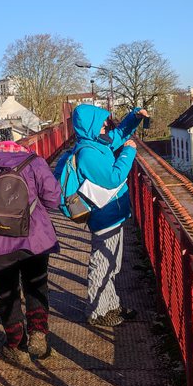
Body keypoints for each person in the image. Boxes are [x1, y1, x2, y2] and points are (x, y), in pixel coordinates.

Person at [0, 140, 61, 364]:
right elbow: (53, 199)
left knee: (7, 292)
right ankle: (38, 332)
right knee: (36, 285)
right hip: (34, 239)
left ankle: (16, 344)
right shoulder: (35, 162)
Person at [61, 103, 149, 327]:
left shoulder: (97, 143)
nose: (105, 125)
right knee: (102, 264)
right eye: (100, 122)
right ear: (89, 125)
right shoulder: (88, 153)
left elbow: (118, 134)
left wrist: (135, 116)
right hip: (105, 216)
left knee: (112, 265)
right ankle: (98, 312)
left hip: (113, 214)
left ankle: (111, 305)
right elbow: (113, 178)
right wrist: (129, 151)